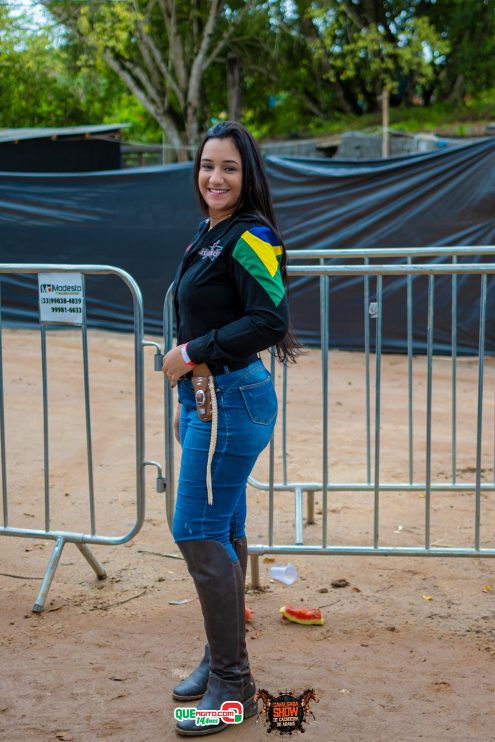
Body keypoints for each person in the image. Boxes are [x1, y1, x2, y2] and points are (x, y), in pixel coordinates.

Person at [162, 121, 299, 736]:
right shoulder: (211, 231)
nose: (214, 178)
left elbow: (269, 321)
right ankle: (223, 663)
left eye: (229, 169)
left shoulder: (253, 236)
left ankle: (231, 685)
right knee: (224, 527)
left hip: (233, 398)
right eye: (206, 166)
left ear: (248, 177)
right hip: (208, 402)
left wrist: (193, 352)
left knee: (194, 527)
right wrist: (188, 394)